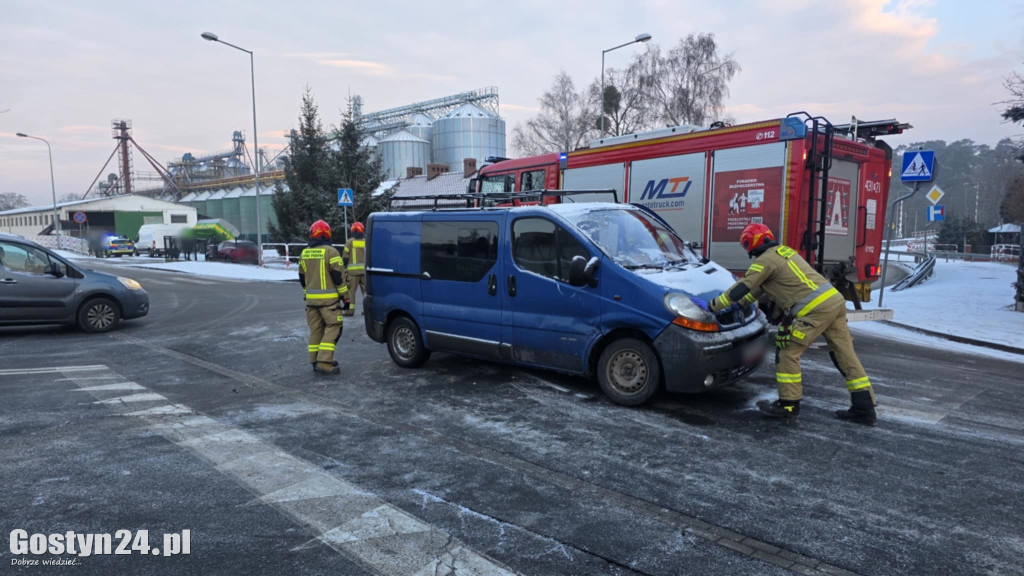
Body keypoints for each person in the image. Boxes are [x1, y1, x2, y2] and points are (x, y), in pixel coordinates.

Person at [694, 223, 877, 425]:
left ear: (752, 242)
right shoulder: (784, 252)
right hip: (834, 302)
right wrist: (739, 305)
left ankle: (788, 406)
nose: (748, 248)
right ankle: (864, 407)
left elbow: (742, 287)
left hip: (814, 310)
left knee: (787, 352)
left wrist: (713, 306)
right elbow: (757, 290)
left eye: (746, 243)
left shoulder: (764, 260)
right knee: (844, 354)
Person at [299, 220, 350, 375]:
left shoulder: (305, 252)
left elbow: (302, 278)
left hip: (311, 301)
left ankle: (315, 360)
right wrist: (346, 298)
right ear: (327, 234)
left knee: (316, 330)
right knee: (334, 327)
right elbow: (338, 278)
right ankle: (324, 362)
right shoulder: (331, 252)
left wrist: (307, 295)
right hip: (329, 302)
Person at [341, 221, 366, 317]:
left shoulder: (349, 242)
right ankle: (367, 311)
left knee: (351, 292)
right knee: (366, 292)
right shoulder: (365, 241)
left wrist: (344, 269)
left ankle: (349, 311)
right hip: (364, 272)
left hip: (353, 273)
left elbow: (345, 257)